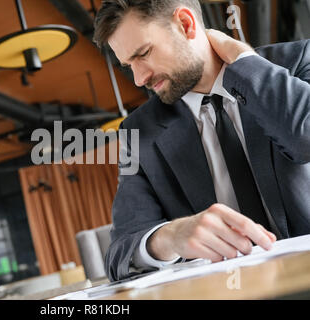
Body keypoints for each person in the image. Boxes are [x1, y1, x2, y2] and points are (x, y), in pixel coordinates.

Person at [93, 0, 310, 281]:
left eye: (144, 53)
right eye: (128, 64)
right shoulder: (139, 131)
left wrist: (245, 62)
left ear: (185, 24)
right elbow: (121, 254)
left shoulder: (299, 61)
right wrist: (169, 237)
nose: (138, 78)